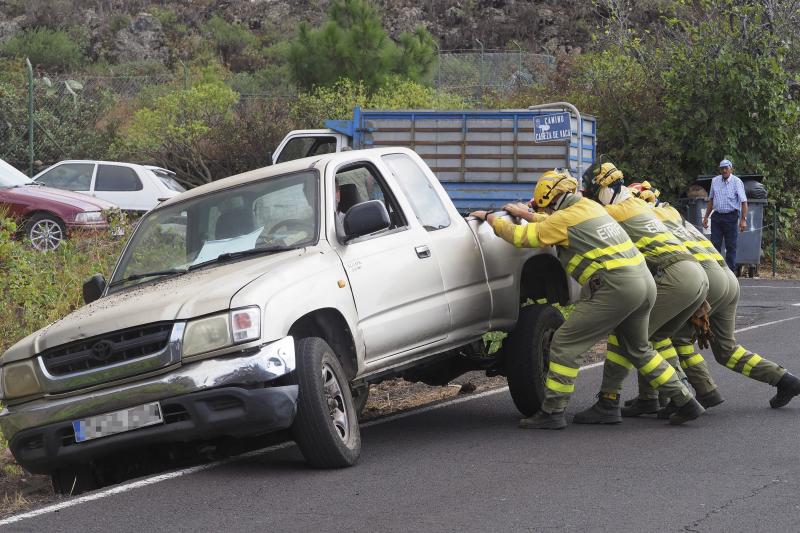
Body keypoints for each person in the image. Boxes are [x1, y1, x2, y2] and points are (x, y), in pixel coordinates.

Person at [470, 169, 701, 429]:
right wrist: (528, 214)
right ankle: (685, 400)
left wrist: (492, 219)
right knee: (639, 348)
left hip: (616, 287)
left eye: (542, 206)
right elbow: (553, 222)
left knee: (564, 343)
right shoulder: (589, 207)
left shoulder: (563, 219)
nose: (542, 211)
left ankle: (552, 411)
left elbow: (524, 237)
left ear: (551, 200)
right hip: (645, 282)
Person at [631, 182, 800, 410]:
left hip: (705, 280)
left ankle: (684, 395)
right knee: (726, 350)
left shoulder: (646, 222)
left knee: (664, 335)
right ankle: (784, 380)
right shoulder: (675, 217)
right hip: (726, 277)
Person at [574, 160, 708, 423]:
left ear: (604, 188)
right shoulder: (634, 203)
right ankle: (660, 398)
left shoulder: (618, 210)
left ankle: (611, 401)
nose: (594, 200)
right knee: (655, 337)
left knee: (628, 338)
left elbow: (583, 219)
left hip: (675, 275)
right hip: (694, 274)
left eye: (593, 194)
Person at [702, 159, 748, 272]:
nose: (724, 170)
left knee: (731, 246)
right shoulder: (715, 181)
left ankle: (731, 272)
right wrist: (706, 217)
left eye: (726, 168)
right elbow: (711, 201)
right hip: (717, 216)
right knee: (715, 245)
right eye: (722, 168)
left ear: (731, 169)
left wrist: (743, 220)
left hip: (731, 217)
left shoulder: (737, 182)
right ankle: (717, 271)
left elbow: (744, 202)